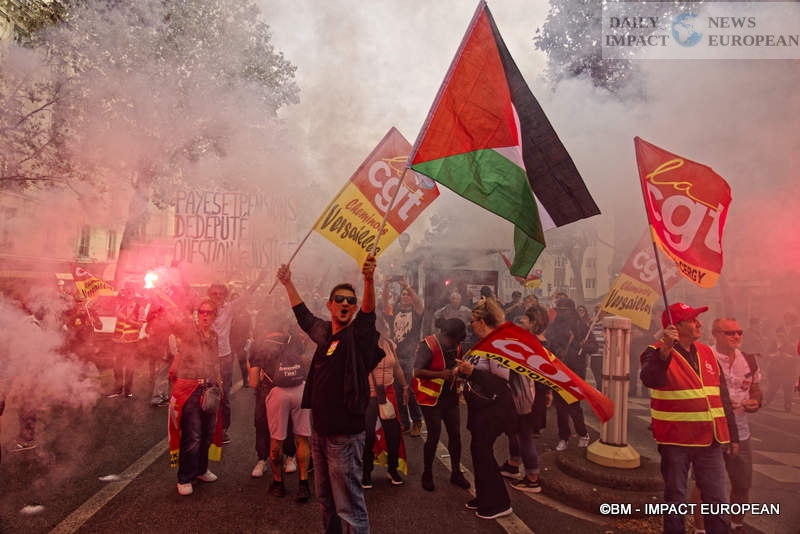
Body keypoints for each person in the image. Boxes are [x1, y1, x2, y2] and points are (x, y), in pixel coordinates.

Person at [277, 255, 383, 534]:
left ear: (354, 307)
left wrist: (368, 279)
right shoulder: (325, 333)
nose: (345, 303)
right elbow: (304, 317)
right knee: (326, 501)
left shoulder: (356, 337)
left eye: (350, 300)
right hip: (320, 432)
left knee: (349, 507)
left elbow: (368, 316)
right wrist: (288, 283)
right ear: (330, 304)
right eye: (340, 299)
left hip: (344, 436)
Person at [640, 302, 740, 534]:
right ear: (676, 326)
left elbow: (722, 397)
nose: (699, 324)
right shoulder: (655, 351)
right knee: (675, 498)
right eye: (693, 320)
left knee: (717, 500)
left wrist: (732, 434)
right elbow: (650, 379)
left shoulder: (707, 353)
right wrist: (665, 350)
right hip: (676, 440)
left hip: (710, 440)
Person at [692, 317, 762, 534]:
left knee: (742, 483)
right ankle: (700, 529)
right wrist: (719, 402)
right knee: (703, 484)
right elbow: (693, 392)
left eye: (739, 332)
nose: (736, 336)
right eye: (730, 333)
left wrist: (755, 402)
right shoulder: (704, 357)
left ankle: (736, 525)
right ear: (715, 334)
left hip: (741, 431)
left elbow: (756, 390)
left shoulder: (749, 360)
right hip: (711, 430)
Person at [455, 297, 517, 520]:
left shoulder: (497, 344)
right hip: (480, 409)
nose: (471, 324)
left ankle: (500, 503)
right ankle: (484, 496)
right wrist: (463, 371)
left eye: (473, 320)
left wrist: (472, 372)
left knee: (483, 452)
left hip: (494, 410)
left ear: (482, 321)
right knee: (478, 451)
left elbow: (502, 384)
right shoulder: (483, 342)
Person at [167, 298, 223, 496]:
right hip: (190, 388)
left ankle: (201, 470)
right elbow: (175, 329)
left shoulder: (214, 336)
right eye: (201, 312)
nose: (205, 316)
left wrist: (219, 382)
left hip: (209, 386)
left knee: (207, 432)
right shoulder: (189, 332)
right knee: (193, 435)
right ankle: (185, 477)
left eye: (209, 312)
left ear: (215, 316)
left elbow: (215, 361)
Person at [207, 269, 268, 444]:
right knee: (205, 394)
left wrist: (259, 279)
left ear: (225, 295)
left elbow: (247, 295)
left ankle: (223, 430)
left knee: (224, 395)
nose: (217, 296)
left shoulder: (229, 308)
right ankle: (207, 428)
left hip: (224, 358)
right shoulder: (204, 309)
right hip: (205, 359)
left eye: (221, 293)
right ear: (209, 294)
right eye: (214, 293)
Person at [413, 317, 471, 492]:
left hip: (450, 397)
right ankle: (427, 474)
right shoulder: (428, 345)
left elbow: (457, 366)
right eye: (454, 341)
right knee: (434, 435)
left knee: (455, 435)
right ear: (445, 334)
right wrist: (440, 374)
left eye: (458, 342)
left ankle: (456, 473)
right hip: (431, 400)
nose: (456, 345)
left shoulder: (457, 345)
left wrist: (461, 371)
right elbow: (416, 371)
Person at [257, 320, 312, 502]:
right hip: (299, 389)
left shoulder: (261, 343)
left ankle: (278, 484)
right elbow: (305, 361)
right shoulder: (294, 339)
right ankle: (303, 485)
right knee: (302, 438)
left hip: (277, 391)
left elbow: (254, 378)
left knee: (276, 439)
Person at [499, 304, 547, 493]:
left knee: (524, 435)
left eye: (526, 319)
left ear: (534, 322)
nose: (522, 321)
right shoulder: (535, 341)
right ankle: (513, 464)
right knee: (514, 430)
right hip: (526, 394)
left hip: (529, 396)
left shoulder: (535, 343)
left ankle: (532, 478)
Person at [362, 315, 407, 489]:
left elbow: (397, 367)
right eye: (385, 328)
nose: (388, 331)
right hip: (369, 396)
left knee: (393, 434)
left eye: (387, 328)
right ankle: (366, 472)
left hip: (388, 394)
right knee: (368, 435)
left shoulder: (389, 344)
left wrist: (405, 387)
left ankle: (392, 469)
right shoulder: (365, 347)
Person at [546, 298, 594, 451]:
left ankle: (583, 433)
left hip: (575, 371)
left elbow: (594, 346)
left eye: (564, 310)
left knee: (574, 405)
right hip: (558, 370)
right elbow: (547, 343)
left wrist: (584, 346)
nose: (562, 314)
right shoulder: (554, 326)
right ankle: (563, 437)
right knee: (560, 407)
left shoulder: (581, 326)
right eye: (559, 310)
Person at [381, 277, 424, 437]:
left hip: (411, 357)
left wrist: (407, 285)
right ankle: (404, 423)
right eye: (403, 294)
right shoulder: (394, 312)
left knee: (409, 390)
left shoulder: (416, 313)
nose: (406, 296)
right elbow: (384, 304)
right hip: (396, 356)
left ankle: (417, 420)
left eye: (408, 294)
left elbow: (418, 302)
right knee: (398, 391)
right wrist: (386, 286)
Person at [106, 284, 151, 398]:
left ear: (133, 295)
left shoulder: (139, 308)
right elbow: (114, 309)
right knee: (117, 366)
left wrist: (127, 319)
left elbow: (140, 325)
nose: (126, 295)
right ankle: (117, 389)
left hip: (131, 342)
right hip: (117, 341)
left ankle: (127, 391)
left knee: (129, 367)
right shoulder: (120, 306)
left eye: (128, 292)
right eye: (125, 292)